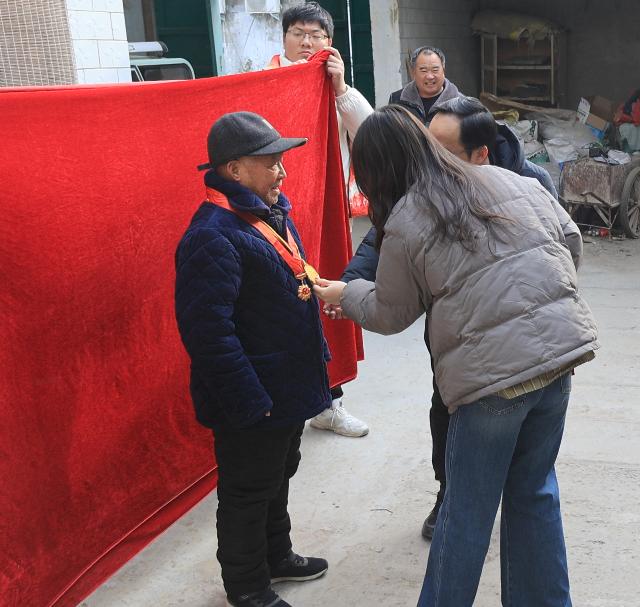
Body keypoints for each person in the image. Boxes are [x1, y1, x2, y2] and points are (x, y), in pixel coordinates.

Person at [313, 104, 597, 606]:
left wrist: (344, 293)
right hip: (557, 363)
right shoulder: (513, 180)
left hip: (491, 385)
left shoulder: (408, 215)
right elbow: (570, 243)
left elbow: (390, 312)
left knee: (465, 512)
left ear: (377, 171)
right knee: (534, 494)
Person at [337, 96, 559, 540]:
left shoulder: (528, 182)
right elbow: (382, 244)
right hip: (464, 347)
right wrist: (350, 285)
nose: (431, 160)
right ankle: (449, 492)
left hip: (536, 347)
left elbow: (563, 249)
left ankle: (481, 507)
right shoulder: (421, 197)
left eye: (444, 152)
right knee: (451, 423)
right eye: (428, 146)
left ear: (481, 154)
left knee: (508, 490)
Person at [174, 112, 331, 607]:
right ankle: (246, 586)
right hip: (253, 396)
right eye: (271, 162)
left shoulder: (269, 213)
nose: (282, 171)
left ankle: (277, 555)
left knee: (278, 475)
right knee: (247, 490)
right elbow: (208, 333)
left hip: (284, 386)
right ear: (234, 169)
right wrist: (249, 401)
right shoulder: (212, 234)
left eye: (281, 160)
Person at [267, 0, 373, 438]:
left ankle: (330, 402)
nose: (307, 42)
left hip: (326, 216)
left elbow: (369, 130)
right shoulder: (263, 80)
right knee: (278, 305)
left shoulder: (335, 87)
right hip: (270, 218)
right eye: (299, 34)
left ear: (329, 42)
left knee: (326, 300)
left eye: (316, 35)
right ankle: (282, 402)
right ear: (285, 38)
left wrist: (340, 86)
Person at [389, 46, 462, 125]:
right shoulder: (397, 100)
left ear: (443, 70)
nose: (430, 76)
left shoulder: (460, 103)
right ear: (413, 72)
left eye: (435, 70)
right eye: (423, 70)